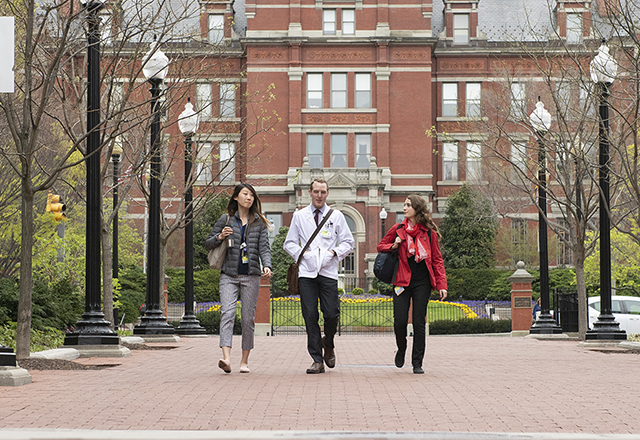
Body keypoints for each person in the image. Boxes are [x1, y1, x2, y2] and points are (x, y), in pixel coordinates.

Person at [284, 178, 355, 374]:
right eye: (316, 191)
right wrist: (302, 254)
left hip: (328, 272)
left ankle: (328, 343)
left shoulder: (337, 216)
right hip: (306, 272)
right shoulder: (300, 216)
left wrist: (333, 254)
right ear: (310, 192)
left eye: (323, 192)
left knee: (331, 314)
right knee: (310, 315)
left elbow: (348, 242)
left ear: (327, 194)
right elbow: (289, 243)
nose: (319, 195)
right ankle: (317, 359)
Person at [205, 183, 272, 374]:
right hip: (229, 274)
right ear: (236, 197)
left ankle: (244, 361)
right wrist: (219, 236)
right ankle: (226, 359)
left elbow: (264, 248)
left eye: (252, 195)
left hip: (251, 275)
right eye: (245, 194)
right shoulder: (225, 219)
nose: (249, 198)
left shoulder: (259, 222)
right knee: (227, 313)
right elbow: (208, 243)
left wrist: (267, 265)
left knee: (247, 319)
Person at [377, 194, 447, 374]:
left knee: (418, 322)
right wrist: (394, 244)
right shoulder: (398, 228)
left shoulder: (429, 232)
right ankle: (401, 348)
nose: (404, 208)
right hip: (401, 280)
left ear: (416, 209)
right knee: (399, 322)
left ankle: (417, 363)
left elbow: (437, 260)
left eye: (408, 205)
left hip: (422, 282)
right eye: (404, 204)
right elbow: (381, 246)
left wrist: (442, 285)